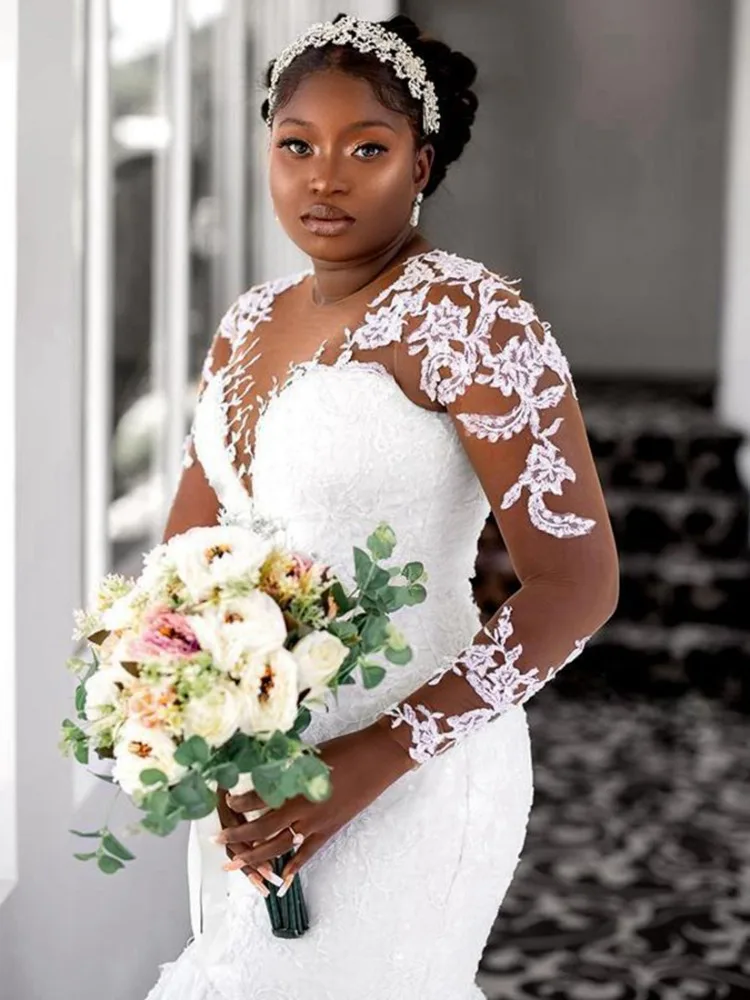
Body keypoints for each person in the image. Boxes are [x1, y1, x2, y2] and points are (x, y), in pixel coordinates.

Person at [144, 12, 619, 999]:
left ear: (423, 164)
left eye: (367, 147)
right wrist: (199, 723)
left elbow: (577, 584)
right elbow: (186, 556)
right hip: (261, 774)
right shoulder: (246, 325)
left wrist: (367, 761)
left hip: (412, 769)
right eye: (296, 145)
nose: (325, 177)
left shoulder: (471, 317)